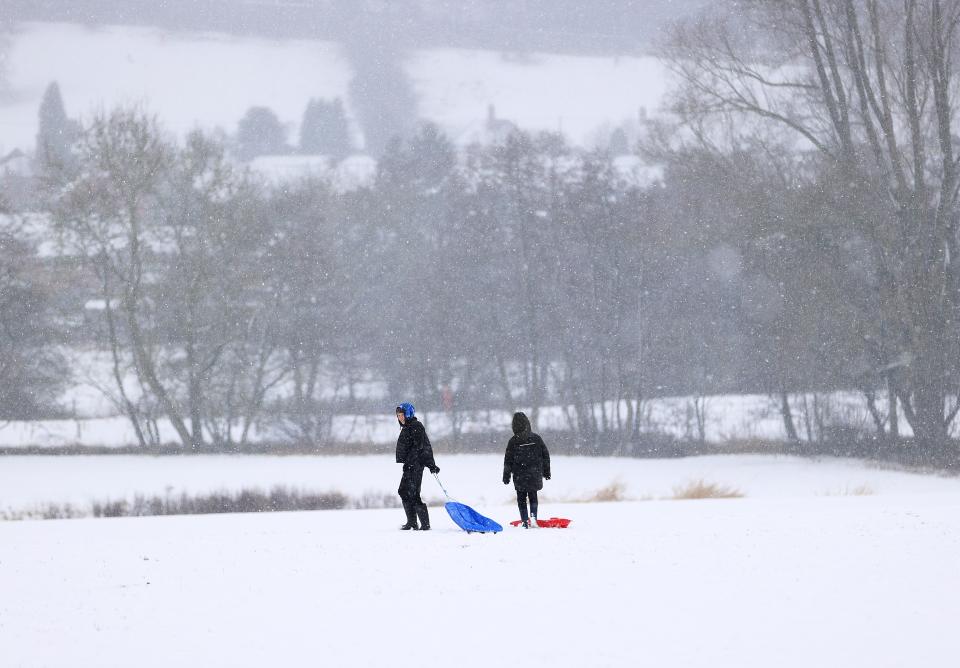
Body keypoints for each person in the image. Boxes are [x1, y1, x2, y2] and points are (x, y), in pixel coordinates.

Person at [395, 402, 440, 530]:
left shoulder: (416, 426)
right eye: (398, 415)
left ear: (408, 414)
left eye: (402, 415)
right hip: (409, 466)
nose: (400, 418)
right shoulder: (407, 427)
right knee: (403, 491)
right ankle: (412, 522)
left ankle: (425, 525)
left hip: (416, 466)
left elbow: (424, 447)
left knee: (413, 494)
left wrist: (431, 465)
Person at [503, 411, 551, 528]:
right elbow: (545, 456)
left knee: (521, 498)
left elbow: (508, 460)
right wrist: (546, 472)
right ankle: (533, 517)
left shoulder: (513, 441)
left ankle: (525, 521)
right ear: (527, 423)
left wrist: (506, 476)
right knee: (533, 495)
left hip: (520, 474)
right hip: (534, 473)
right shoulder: (536, 438)